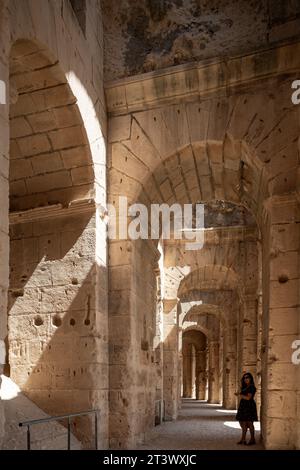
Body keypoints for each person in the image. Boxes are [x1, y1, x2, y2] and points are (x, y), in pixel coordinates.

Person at [235, 372, 258, 445]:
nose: (246, 379)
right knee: (243, 423)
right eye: (244, 378)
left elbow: (248, 398)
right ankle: (243, 439)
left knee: (250, 423)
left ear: (250, 378)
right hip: (243, 406)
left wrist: (239, 395)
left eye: (247, 377)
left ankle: (252, 439)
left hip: (249, 406)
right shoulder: (245, 387)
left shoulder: (252, 387)